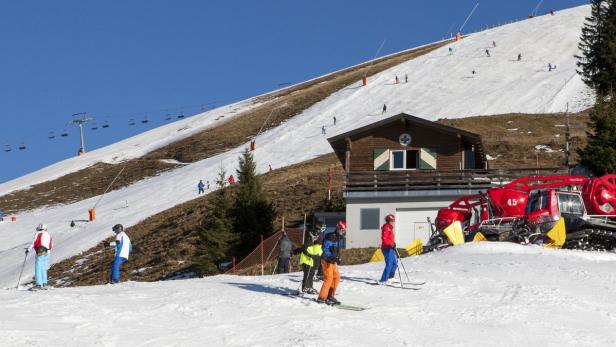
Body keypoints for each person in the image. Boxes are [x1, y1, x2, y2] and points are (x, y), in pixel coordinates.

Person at [317, 220, 346, 305]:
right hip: (327, 260)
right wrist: (332, 258)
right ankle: (321, 297)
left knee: (336, 278)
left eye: (344, 231)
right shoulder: (330, 236)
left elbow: (335, 250)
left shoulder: (338, 237)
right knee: (328, 278)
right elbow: (325, 249)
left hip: (333, 261)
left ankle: (330, 296)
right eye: (342, 230)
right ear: (338, 229)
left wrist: (338, 258)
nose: (343, 232)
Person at [294, 230, 323, 294]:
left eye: (316, 238)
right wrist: (309, 255)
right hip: (305, 260)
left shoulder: (312, 241)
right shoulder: (308, 240)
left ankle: (309, 287)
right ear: (312, 235)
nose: (315, 239)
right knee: (306, 275)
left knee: (310, 275)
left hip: (309, 261)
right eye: (315, 237)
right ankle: (304, 287)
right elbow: (304, 249)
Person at [27, 224, 53, 290]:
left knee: (38, 268)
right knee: (43, 268)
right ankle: (44, 284)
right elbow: (51, 244)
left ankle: (38, 284)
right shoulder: (48, 234)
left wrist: (28, 249)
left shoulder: (38, 233)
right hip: (47, 252)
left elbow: (34, 242)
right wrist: (48, 252)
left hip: (40, 251)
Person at [379, 214, 397, 284]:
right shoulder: (386, 227)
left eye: (393, 221)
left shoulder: (390, 227)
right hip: (386, 248)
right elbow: (384, 239)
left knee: (394, 263)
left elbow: (390, 238)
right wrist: (390, 244)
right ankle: (383, 280)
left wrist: (393, 243)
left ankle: (390, 277)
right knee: (389, 264)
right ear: (388, 221)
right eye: (392, 221)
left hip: (391, 247)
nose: (393, 222)